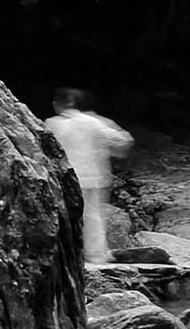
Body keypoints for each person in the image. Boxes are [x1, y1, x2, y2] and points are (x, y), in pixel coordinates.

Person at [44, 89, 133, 261]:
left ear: (59, 103)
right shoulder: (93, 122)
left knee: (62, 217)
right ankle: (95, 255)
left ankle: (65, 258)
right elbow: (123, 141)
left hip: (63, 179)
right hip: (92, 177)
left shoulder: (52, 124)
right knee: (92, 216)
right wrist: (105, 150)